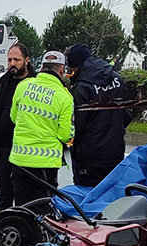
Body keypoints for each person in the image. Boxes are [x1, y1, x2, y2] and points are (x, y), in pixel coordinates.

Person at [8, 51, 74, 206]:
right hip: (45, 163)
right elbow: (65, 135)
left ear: (42, 67)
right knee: (43, 210)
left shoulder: (23, 86)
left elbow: (13, 117)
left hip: (19, 159)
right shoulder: (64, 96)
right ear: (61, 70)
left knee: (22, 207)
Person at [67, 44, 134, 187]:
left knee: (87, 200)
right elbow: (127, 114)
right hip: (115, 153)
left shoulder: (82, 88)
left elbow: (77, 126)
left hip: (89, 159)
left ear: (76, 66)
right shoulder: (117, 79)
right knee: (111, 197)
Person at [0, 43, 35, 210]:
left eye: (17, 59)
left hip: (27, 149)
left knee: (25, 195)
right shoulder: (4, 81)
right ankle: (4, 227)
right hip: (5, 147)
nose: (12, 64)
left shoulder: (34, 82)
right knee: (5, 193)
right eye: (9, 60)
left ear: (27, 60)